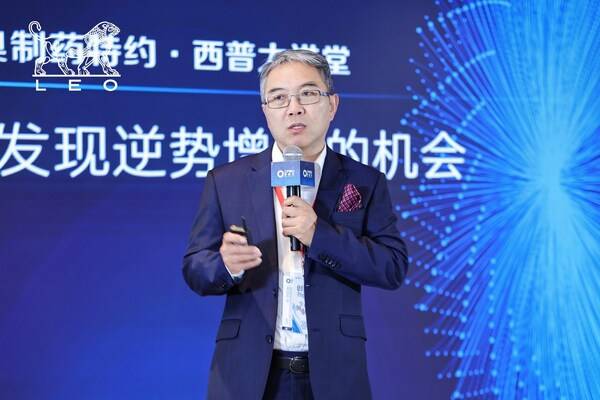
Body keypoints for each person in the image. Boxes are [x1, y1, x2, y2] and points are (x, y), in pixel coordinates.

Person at [183, 49, 408, 400]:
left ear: (332, 105)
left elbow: (392, 267)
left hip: (334, 373)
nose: (294, 108)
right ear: (265, 110)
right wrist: (226, 264)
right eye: (279, 98)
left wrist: (320, 236)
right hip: (248, 374)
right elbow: (195, 268)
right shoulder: (227, 181)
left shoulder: (364, 181)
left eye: (308, 93)